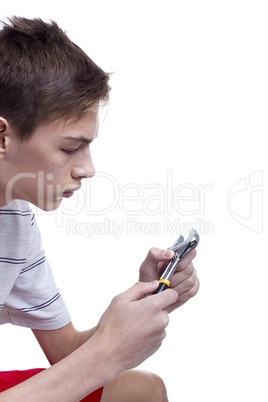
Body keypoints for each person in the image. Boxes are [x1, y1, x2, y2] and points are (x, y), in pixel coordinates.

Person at [0, 16, 199, 401]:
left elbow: (67, 354)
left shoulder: (16, 220)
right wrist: (105, 354)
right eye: (70, 148)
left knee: (140, 390)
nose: (87, 169)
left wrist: (144, 301)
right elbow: (89, 364)